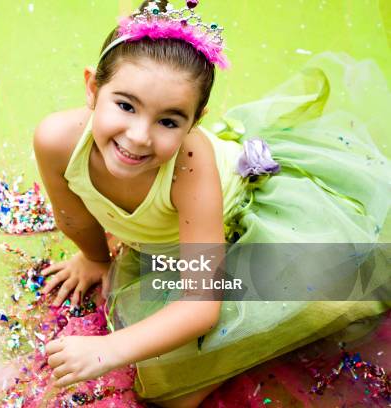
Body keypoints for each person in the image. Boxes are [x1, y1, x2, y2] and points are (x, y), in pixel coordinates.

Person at [33, 0, 390, 407]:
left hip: (245, 226)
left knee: (330, 285)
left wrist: (108, 350)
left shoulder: (189, 161)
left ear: (194, 121)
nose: (138, 136)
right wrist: (94, 259)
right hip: (165, 243)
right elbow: (73, 215)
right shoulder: (55, 139)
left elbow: (200, 306)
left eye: (168, 121)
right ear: (93, 89)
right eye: (125, 106)